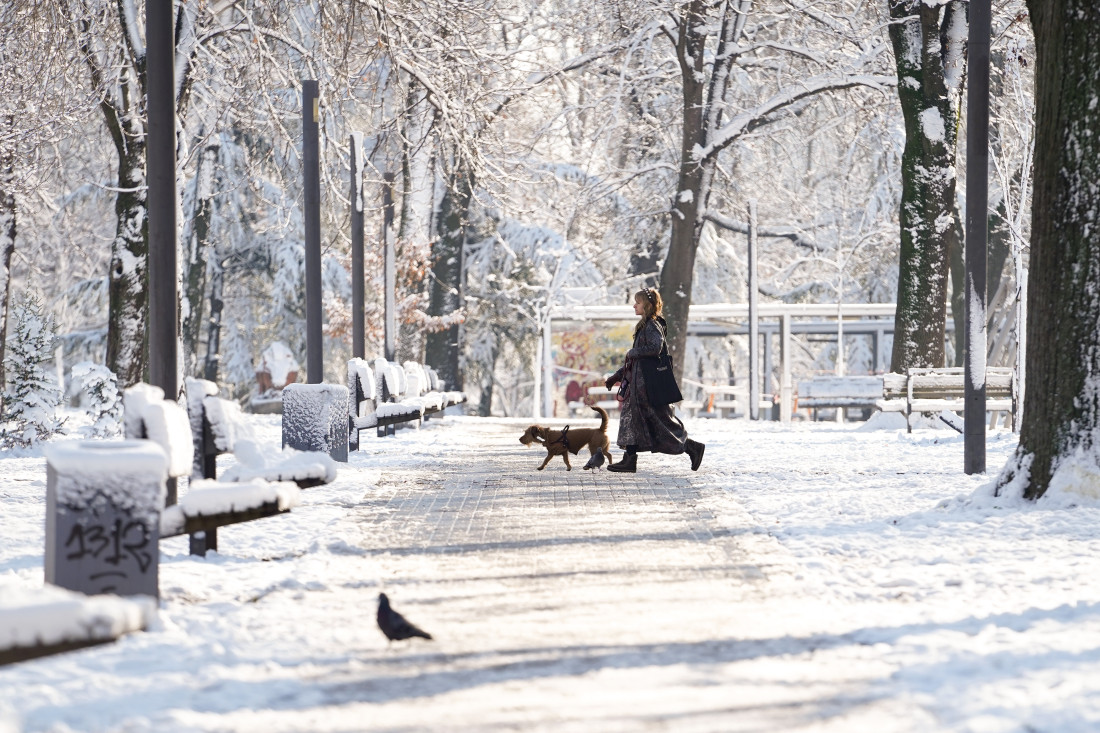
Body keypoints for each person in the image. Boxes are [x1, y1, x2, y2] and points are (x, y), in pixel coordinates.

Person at [604, 287, 705, 473]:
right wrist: (616, 377)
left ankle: (691, 447)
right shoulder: (644, 325)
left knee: (661, 423)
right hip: (639, 388)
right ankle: (629, 459)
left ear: (648, 305)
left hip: (648, 389)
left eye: (638, 302)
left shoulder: (651, 325)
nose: (634, 305)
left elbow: (656, 347)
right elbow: (635, 361)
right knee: (633, 421)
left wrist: (633, 351)